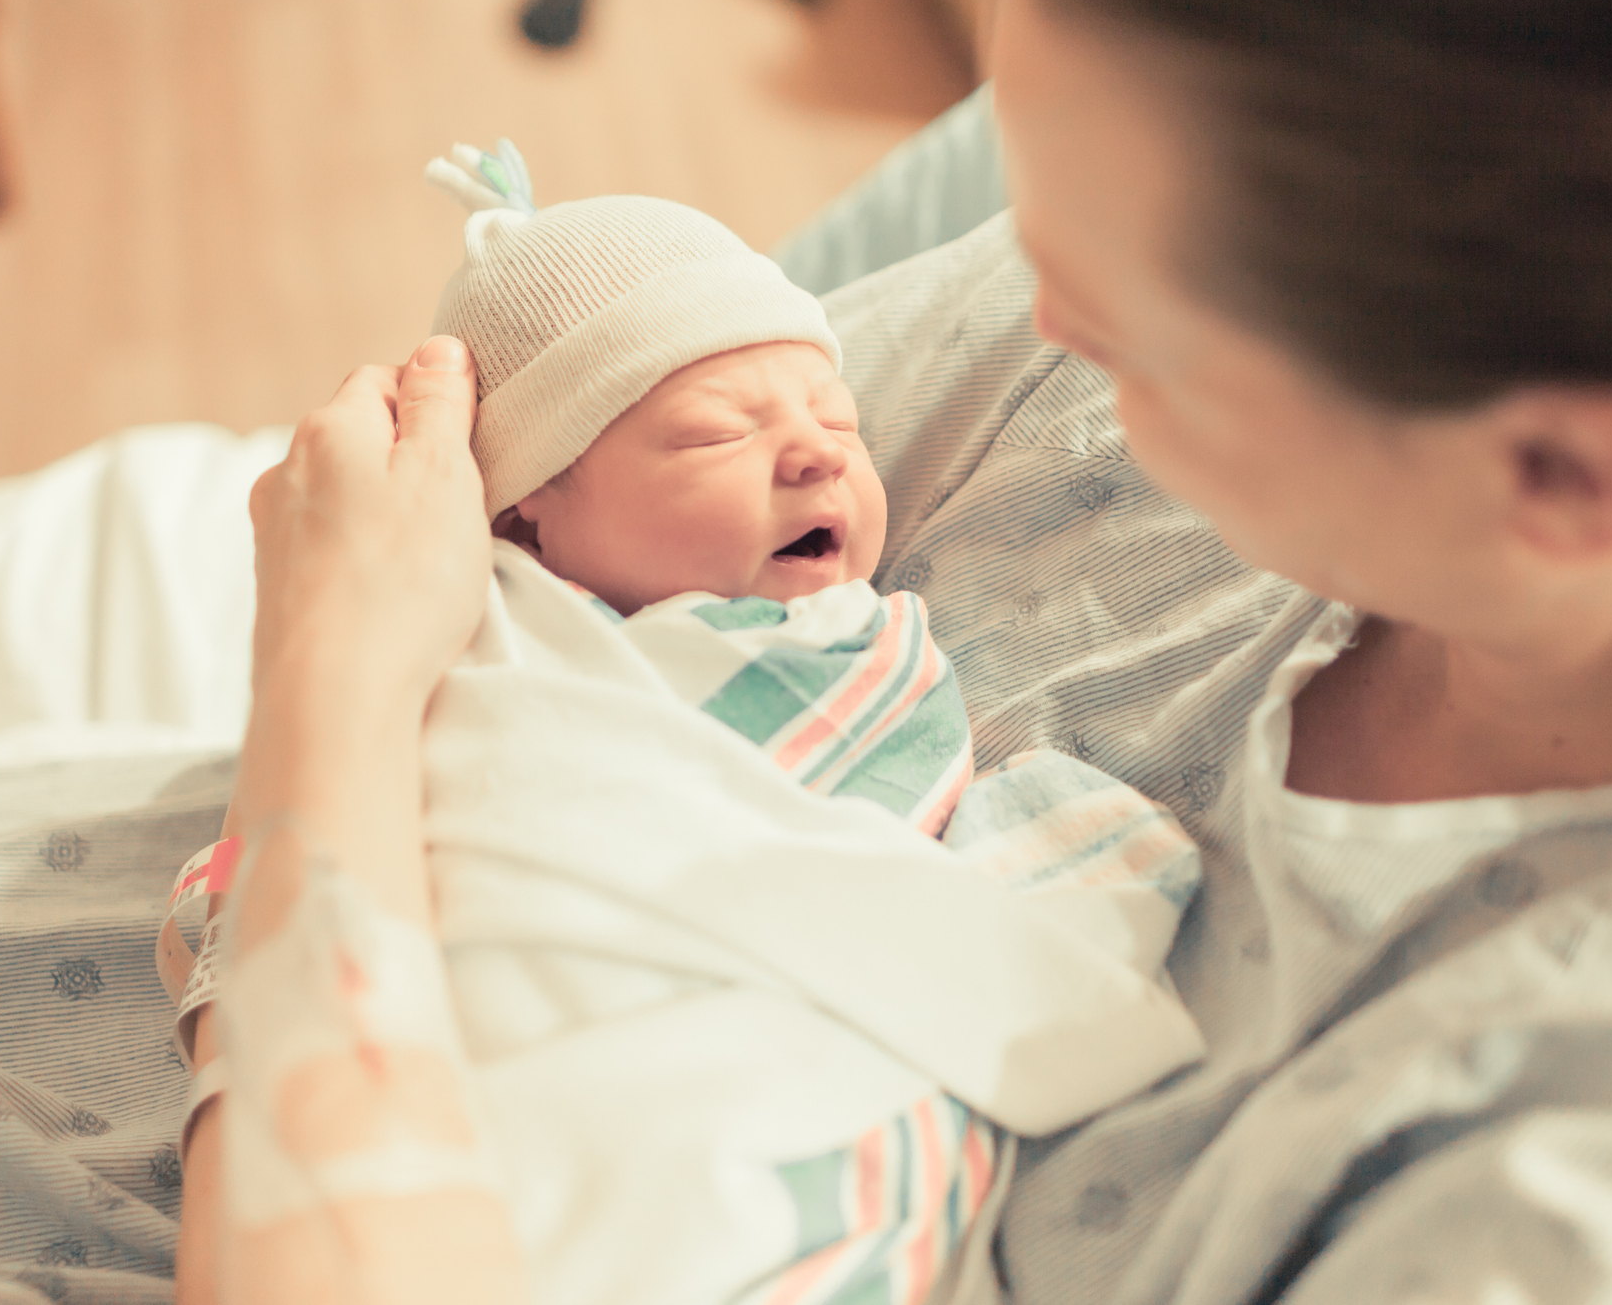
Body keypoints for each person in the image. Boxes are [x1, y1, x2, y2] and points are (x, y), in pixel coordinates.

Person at [180, 0, 1612, 1300]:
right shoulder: (1214, 339)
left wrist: (326, 684)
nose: (1034, 318)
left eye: (1115, 315)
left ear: (1558, 482)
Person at [167, 149, 1204, 1305]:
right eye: (717, 434)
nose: (817, 450)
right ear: (527, 523)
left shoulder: (851, 658)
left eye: (840, 420)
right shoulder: (494, 648)